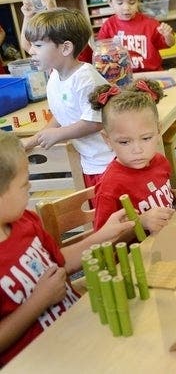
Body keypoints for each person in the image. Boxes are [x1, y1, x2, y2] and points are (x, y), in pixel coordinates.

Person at [0, 131, 134, 366]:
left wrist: (101, 236)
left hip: (82, 332)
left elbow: (58, 262)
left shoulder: (24, 221)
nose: (29, 188)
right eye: (23, 185)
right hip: (40, 362)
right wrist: (38, 302)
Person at [89, 79, 176, 238]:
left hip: (170, 241)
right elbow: (103, 239)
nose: (137, 150)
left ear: (158, 130)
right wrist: (139, 222)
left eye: (146, 138)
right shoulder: (110, 186)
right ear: (107, 139)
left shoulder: (159, 161)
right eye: (125, 142)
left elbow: (162, 197)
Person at [21, 8, 114, 188]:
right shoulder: (55, 75)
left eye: (38, 46)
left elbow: (96, 121)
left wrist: (59, 134)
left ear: (65, 48)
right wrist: (32, 140)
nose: (31, 50)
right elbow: (61, 115)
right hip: (90, 162)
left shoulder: (85, 78)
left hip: (108, 161)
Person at [79, 0, 175, 72]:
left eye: (132, 2)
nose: (126, 8)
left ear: (138, 1)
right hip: (121, 76)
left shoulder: (151, 24)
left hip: (151, 74)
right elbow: (102, 52)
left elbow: (170, 44)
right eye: (120, 3)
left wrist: (168, 36)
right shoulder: (108, 26)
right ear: (110, 2)